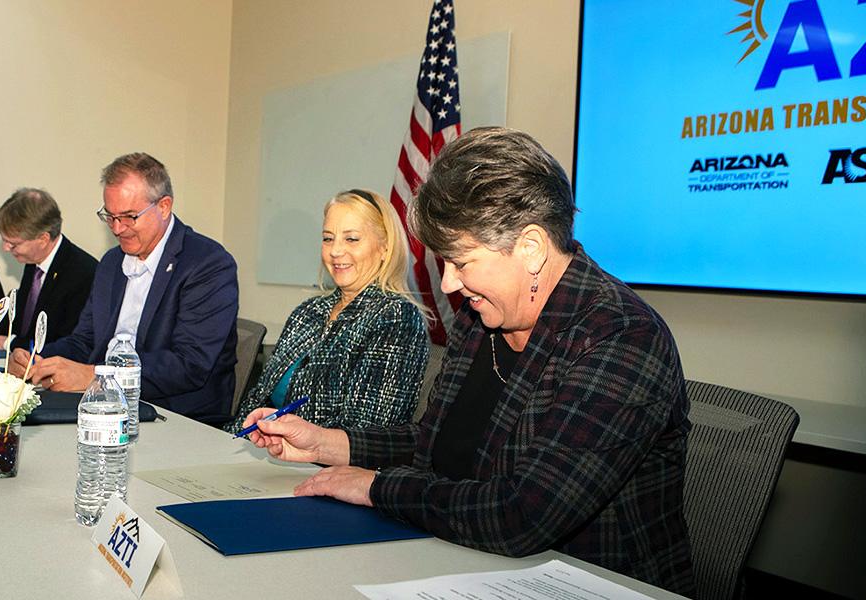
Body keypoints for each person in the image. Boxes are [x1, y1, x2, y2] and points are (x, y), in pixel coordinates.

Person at [241, 128, 695, 595]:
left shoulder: (620, 336)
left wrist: (375, 487)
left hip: (590, 580)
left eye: (461, 261)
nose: (451, 284)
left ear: (532, 248)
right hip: (465, 560)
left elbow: (523, 515)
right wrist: (328, 445)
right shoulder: (481, 317)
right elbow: (437, 443)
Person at [10, 153, 239, 422]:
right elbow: (85, 341)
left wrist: (92, 376)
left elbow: (188, 365)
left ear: (164, 206)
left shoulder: (207, 264)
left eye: (129, 217)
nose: (118, 229)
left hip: (176, 415)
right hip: (105, 406)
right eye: (110, 216)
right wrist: (38, 360)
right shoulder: (111, 263)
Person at [224, 190, 428, 432]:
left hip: (320, 465)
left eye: (351, 239)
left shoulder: (396, 318)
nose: (335, 251)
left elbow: (365, 432)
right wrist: (230, 440)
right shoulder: (308, 311)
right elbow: (259, 397)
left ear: (385, 247)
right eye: (328, 238)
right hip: (263, 450)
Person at [0, 188, 97, 351]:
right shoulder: (34, 262)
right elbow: (23, 327)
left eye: (13, 244)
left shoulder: (83, 274)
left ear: (43, 239)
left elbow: (67, 345)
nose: (6, 248)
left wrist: (5, 342)